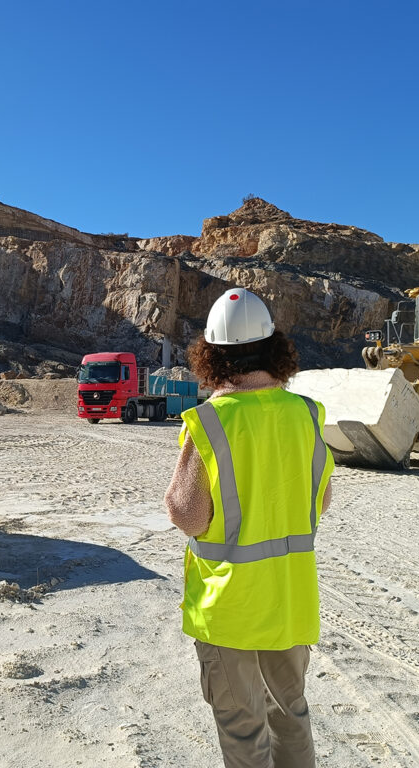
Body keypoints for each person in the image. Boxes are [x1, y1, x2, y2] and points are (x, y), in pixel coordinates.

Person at [164, 287, 334, 768]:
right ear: (273, 347)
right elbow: (318, 500)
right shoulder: (306, 414)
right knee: (291, 715)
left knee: (244, 730)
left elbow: (187, 513)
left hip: (231, 608)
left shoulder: (211, 421)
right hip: (289, 600)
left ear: (211, 356)